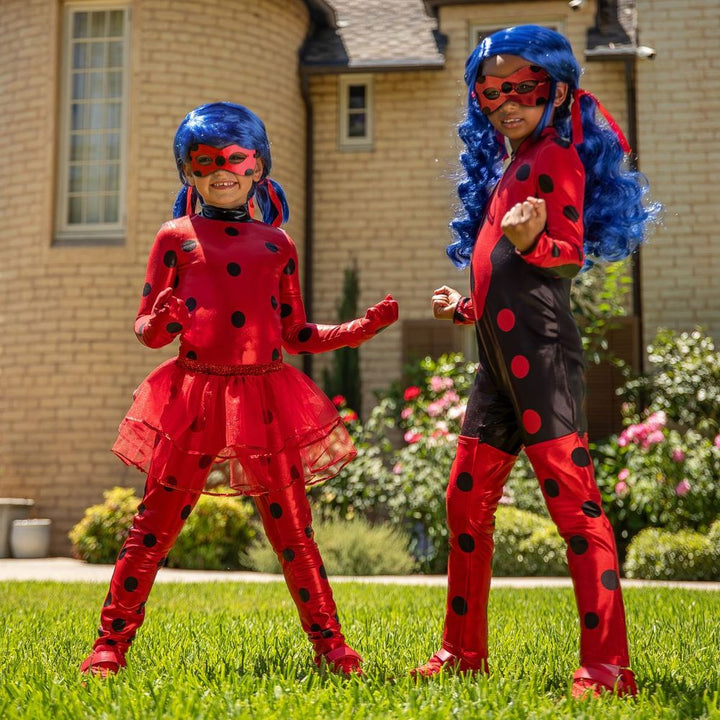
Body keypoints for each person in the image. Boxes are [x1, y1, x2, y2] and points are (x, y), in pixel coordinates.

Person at [80, 101, 398, 677]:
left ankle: (331, 645)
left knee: (294, 530)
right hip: (193, 397)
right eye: (203, 161)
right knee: (153, 527)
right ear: (187, 172)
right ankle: (110, 644)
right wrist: (164, 321)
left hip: (266, 398)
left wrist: (357, 330)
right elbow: (146, 330)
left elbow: (294, 333)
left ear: (258, 167)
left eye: (234, 158)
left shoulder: (278, 245)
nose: (220, 171)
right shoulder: (174, 238)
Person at [412, 25, 660, 697]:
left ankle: (608, 667)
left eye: (523, 87)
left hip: (543, 360)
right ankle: (462, 652)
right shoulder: (510, 169)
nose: (507, 103)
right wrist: (464, 308)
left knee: (574, 508)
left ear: (556, 91)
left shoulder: (556, 157)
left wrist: (534, 239)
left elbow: (566, 256)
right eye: (491, 93)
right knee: (464, 503)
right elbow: (504, 282)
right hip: (496, 366)